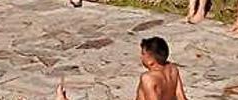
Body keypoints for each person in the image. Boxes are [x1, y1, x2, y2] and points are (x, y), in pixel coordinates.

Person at [56, 37, 187, 100]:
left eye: (142, 53)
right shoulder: (173, 69)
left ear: (150, 59)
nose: (140, 56)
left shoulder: (149, 78)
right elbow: (181, 97)